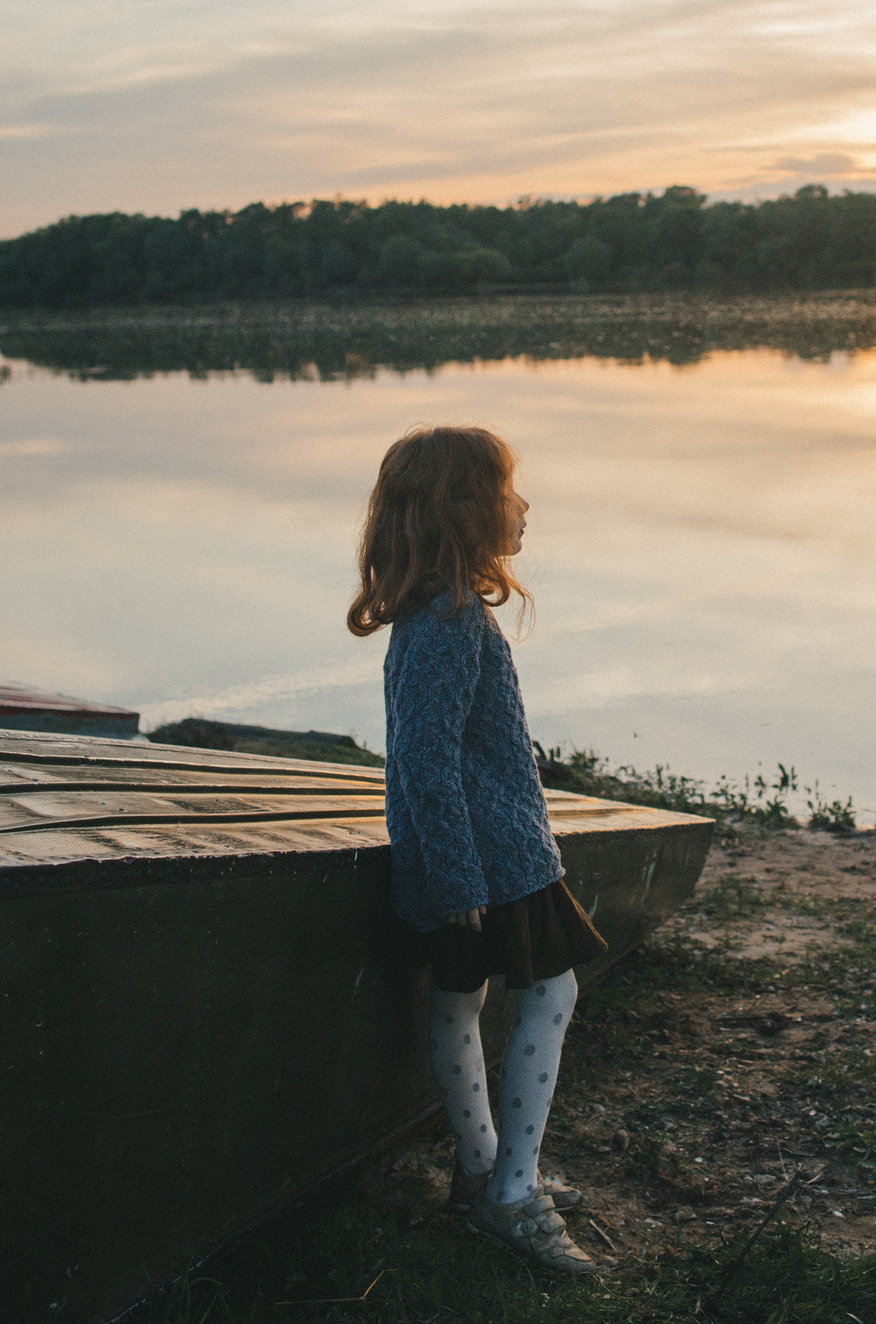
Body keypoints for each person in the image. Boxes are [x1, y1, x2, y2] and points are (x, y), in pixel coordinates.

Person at [347, 424, 612, 1278]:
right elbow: (425, 760)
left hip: (468, 854)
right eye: (508, 489)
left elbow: (439, 754)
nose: (523, 506)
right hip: (493, 857)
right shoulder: (453, 619)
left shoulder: (435, 615)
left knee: (461, 1003)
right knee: (550, 993)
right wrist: (460, 875)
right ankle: (510, 1190)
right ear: (464, 510)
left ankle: (482, 1171)